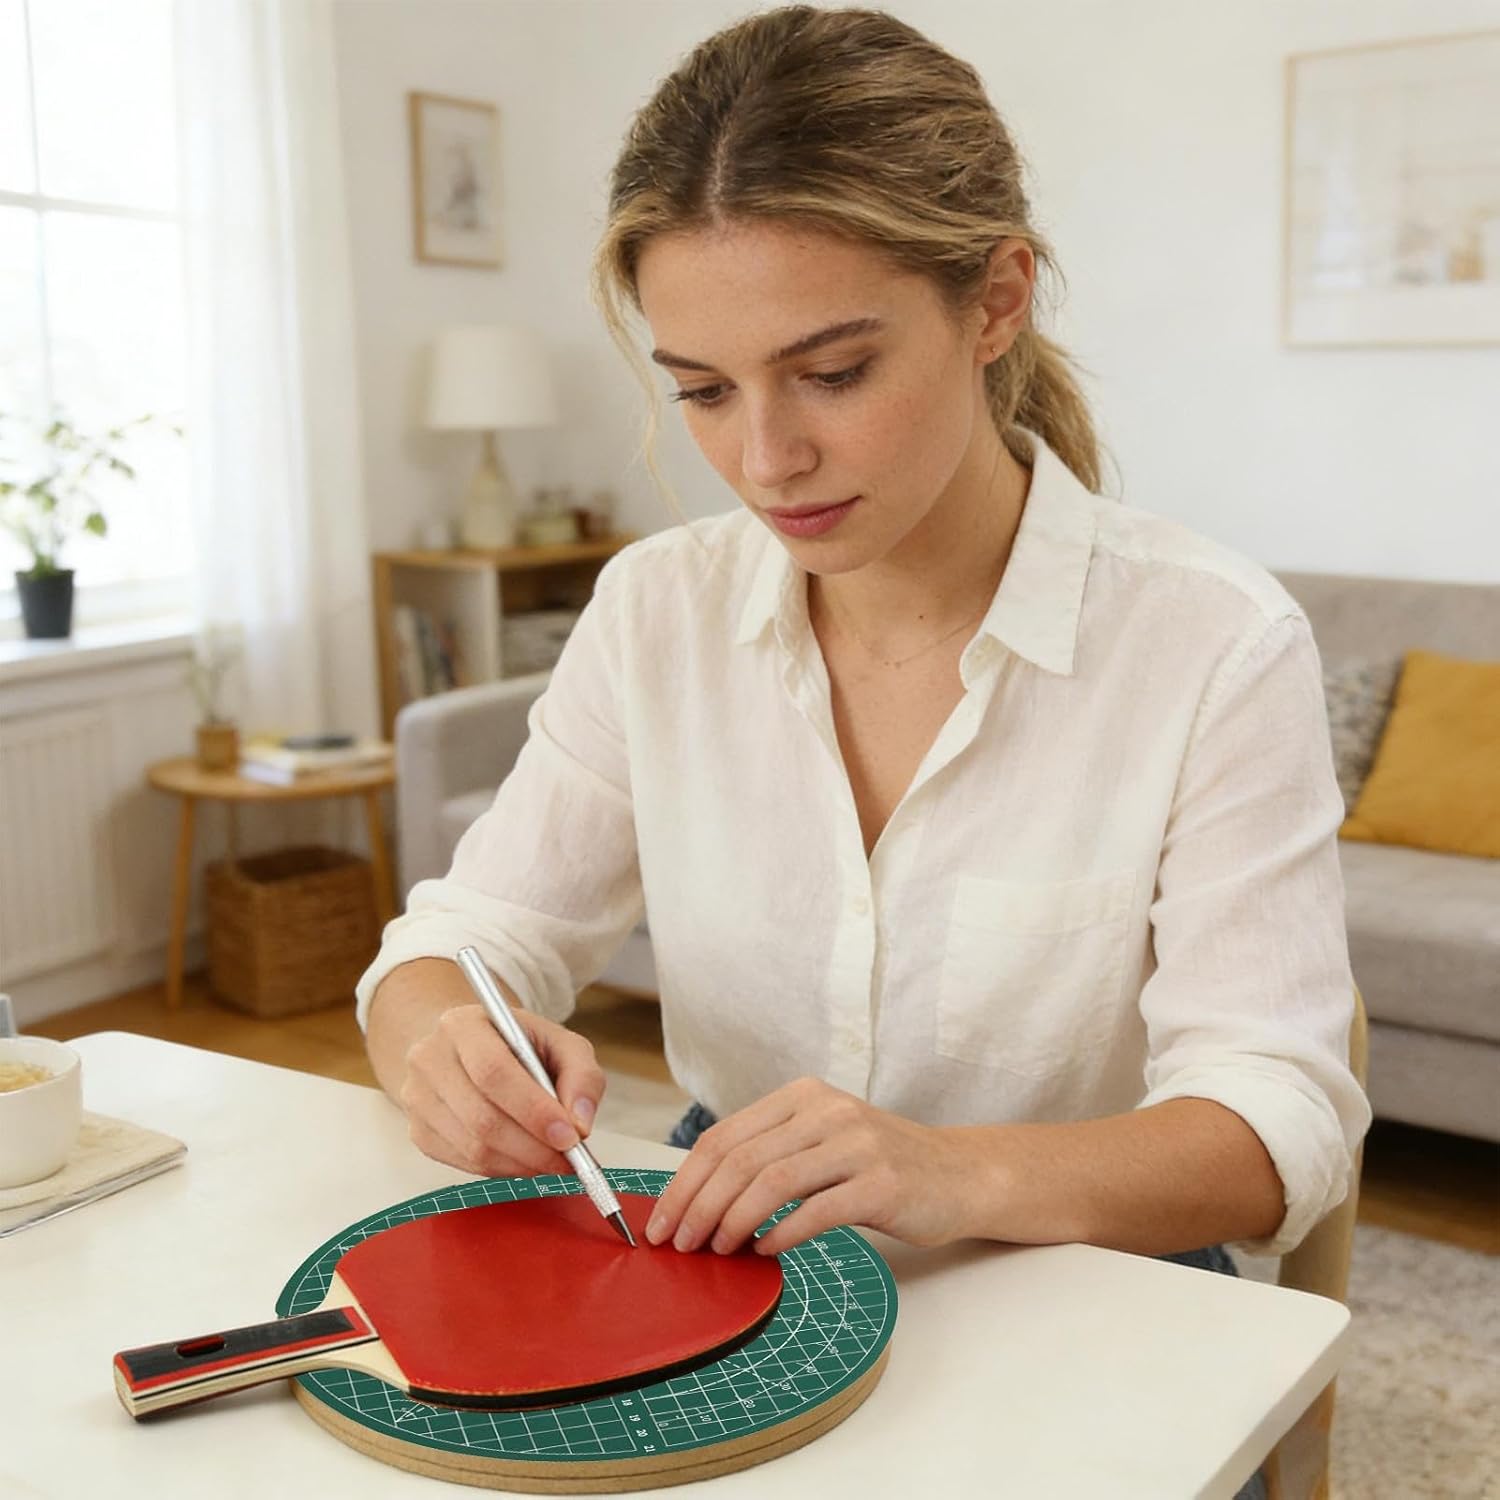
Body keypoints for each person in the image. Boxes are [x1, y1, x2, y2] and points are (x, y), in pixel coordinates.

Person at [359, 0, 1366, 1411]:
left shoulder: (1212, 644)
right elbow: (462, 944)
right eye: (704, 391)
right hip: (748, 1252)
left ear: (996, 301)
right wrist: (441, 1044)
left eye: (834, 372)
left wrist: (951, 1169)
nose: (766, 459)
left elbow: (1276, 1121)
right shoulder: (658, 610)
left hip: (1097, 1276)